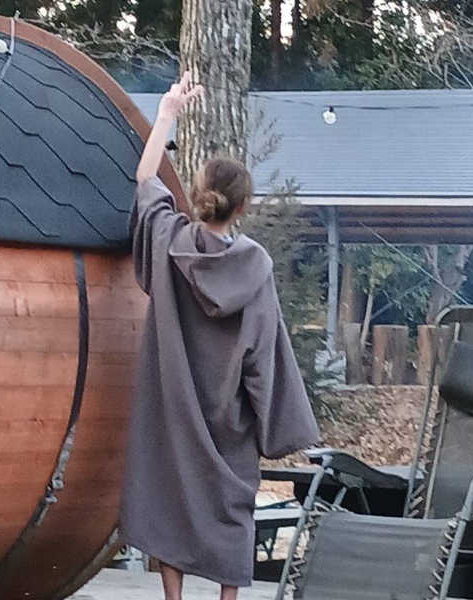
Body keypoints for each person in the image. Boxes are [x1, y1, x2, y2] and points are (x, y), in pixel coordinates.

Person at [119, 72, 320, 600]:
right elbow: (265, 355)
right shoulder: (255, 266)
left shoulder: (169, 240)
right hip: (230, 419)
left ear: (198, 195)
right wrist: (275, 423)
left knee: (169, 502)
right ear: (243, 207)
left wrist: (167, 114)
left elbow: (146, 181)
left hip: (171, 411)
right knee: (232, 509)